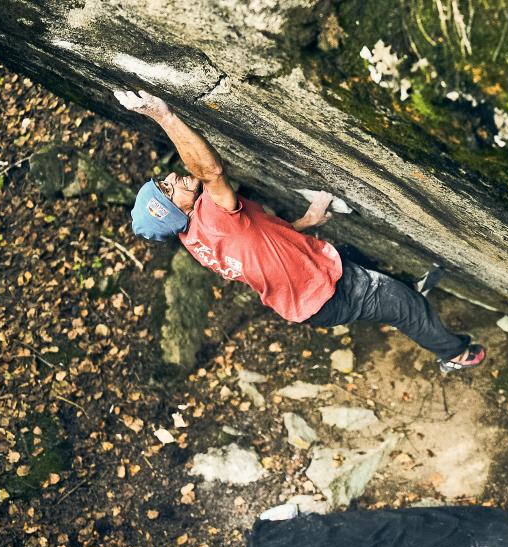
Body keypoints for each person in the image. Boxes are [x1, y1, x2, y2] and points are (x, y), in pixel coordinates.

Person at [114, 89, 485, 373]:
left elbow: (259, 244)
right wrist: (164, 115)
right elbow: (211, 172)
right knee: (405, 308)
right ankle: (453, 354)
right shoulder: (211, 215)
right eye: (167, 189)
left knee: (349, 256)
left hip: (308, 297)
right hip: (326, 293)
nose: (173, 177)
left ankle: (397, 288)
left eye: (162, 181)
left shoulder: (195, 239)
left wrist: (305, 223)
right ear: (173, 213)